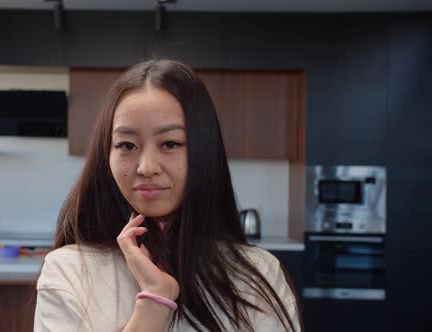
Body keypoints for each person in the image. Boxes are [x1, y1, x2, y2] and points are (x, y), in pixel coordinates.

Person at [34, 59, 302, 332]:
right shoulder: (69, 271)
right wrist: (154, 302)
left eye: (170, 143)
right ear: (107, 156)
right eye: (127, 145)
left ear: (204, 151)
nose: (147, 167)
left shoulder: (257, 274)